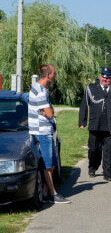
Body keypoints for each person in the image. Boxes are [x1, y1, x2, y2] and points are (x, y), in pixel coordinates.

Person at [28, 64, 70, 204]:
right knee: (47, 164)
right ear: (48, 75)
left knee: (52, 163)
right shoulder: (40, 91)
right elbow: (51, 113)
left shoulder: (42, 89)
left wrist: (46, 111)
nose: (55, 76)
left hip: (46, 131)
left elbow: (48, 112)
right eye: (54, 73)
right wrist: (47, 112)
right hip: (42, 132)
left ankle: (45, 193)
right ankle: (53, 194)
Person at [79, 67, 111, 181]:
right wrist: (82, 121)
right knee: (94, 149)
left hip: (110, 125)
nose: (105, 79)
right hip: (95, 125)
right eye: (103, 77)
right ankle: (92, 167)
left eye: (107, 77)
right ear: (100, 77)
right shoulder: (91, 88)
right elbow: (84, 105)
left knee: (108, 150)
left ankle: (107, 172)